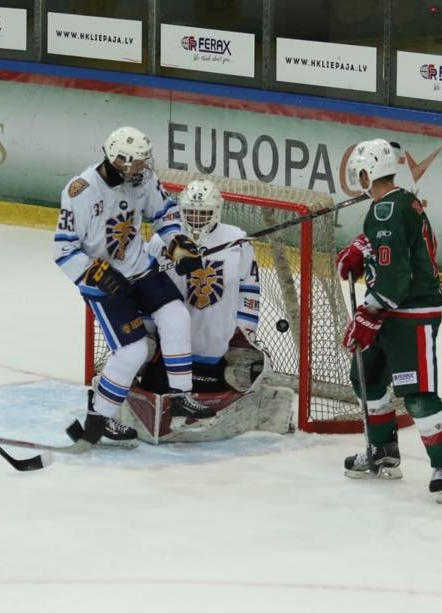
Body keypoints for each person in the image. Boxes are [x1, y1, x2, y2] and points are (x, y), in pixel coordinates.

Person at [54, 126, 216, 446]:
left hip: (140, 267)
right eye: (137, 162)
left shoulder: (142, 180)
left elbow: (164, 214)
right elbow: (63, 250)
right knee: (133, 350)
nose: (143, 167)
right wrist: (98, 274)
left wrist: (179, 246)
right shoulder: (81, 191)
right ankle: (98, 422)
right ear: (120, 161)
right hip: (103, 284)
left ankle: (181, 397)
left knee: (175, 316)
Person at [337, 138, 442, 503]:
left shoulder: (386, 210)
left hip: (410, 312)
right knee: (367, 377)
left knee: (417, 394)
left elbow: (395, 277)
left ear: (366, 172)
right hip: (394, 308)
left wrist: (368, 313)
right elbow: (392, 247)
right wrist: (364, 247)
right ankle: (384, 453)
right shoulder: (399, 201)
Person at [127, 178, 295, 442]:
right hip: (169, 351)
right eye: (191, 212)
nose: (196, 219)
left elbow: (249, 289)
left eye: (203, 212)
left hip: (215, 352)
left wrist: (244, 334)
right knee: (153, 384)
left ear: (217, 211)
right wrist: (145, 333)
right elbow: (145, 289)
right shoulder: (163, 242)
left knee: (213, 390)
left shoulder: (236, 241)